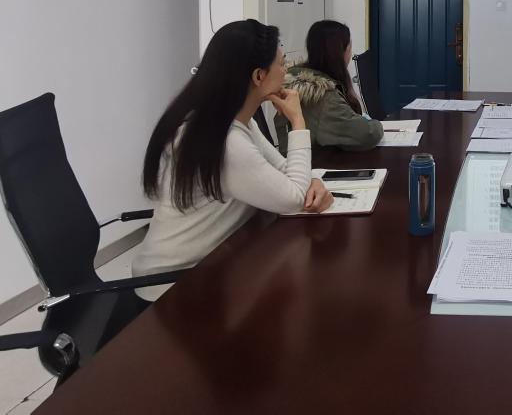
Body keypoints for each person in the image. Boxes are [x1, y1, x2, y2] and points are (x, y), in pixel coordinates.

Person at [133, 20, 332, 300]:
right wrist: (298, 121)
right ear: (259, 76)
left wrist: (311, 182)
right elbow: (293, 198)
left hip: (214, 264)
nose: (286, 71)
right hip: (173, 288)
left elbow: (284, 170)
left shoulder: (232, 121)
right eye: (282, 63)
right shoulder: (226, 142)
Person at [275, 20, 383, 153]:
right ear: (341, 52)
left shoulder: (295, 84)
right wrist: (377, 125)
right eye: (350, 47)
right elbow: (368, 134)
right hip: (314, 163)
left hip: (296, 159)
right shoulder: (323, 97)